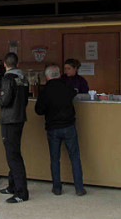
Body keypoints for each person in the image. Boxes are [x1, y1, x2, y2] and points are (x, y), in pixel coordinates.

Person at [35, 64, 86, 196]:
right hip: (69, 126)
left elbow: (38, 111)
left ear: (46, 77)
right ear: (59, 74)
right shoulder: (68, 86)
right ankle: (79, 188)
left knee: (54, 159)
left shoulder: (45, 91)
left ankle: (57, 188)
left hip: (53, 128)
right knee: (74, 157)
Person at [0, 52, 30, 203]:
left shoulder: (7, 78)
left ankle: (21, 193)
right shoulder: (23, 78)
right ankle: (12, 186)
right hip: (19, 118)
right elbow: (24, 100)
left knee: (13, 156)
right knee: (14, 152)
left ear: (4, 64)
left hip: (9, 121)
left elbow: (5, 101)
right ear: (18, 64)